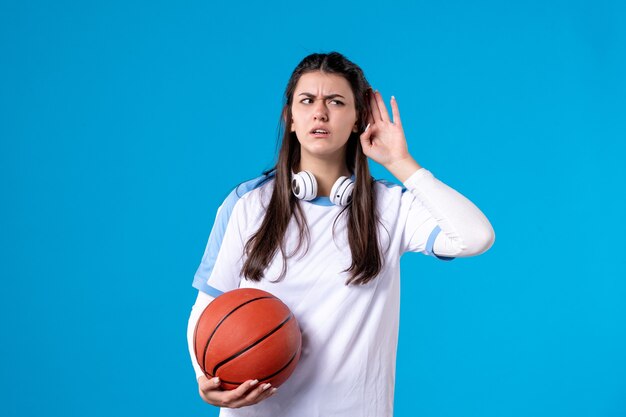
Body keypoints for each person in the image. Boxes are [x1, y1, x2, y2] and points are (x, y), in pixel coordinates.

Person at [187, 51, 495, 416]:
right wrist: (207, 379)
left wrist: (400, 163)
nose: (320, 112)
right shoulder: (248, 204)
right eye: (307, 101)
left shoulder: (391, 207)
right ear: (290, 118)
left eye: (335, 101)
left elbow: (475, 236)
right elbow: (209, 307)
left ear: (356, 121)